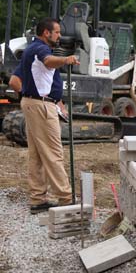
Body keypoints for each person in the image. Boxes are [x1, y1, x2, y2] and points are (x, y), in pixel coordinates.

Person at [13, 17, 79, 213]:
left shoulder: (32, 49)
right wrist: (67, 59)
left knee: (37, 155)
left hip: (36, 103)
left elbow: (21, 78)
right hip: (41, 106)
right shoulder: (40, 49)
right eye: (57, 32)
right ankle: (66, 198)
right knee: (53, 152)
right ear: (46, 33)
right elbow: (49, 61)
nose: (59, 36)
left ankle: (38, 199)